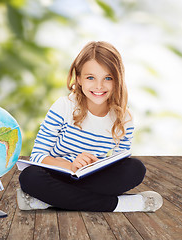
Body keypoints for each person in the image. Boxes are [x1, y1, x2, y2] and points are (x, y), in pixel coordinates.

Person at [17, 41, 163, 212]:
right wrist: (71, 166)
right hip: (59, 175)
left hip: (92, 179)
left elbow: (119, 163)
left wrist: (94, 166)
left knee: (135, 169)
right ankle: (118, 205)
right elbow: (38, 156)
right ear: (78, 79)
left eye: (108, 78)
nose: (99, 86)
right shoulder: (63, 106)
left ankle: (47, 201)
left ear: (118, 80)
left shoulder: (125, 118)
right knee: (30, 177)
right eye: (90, 78)